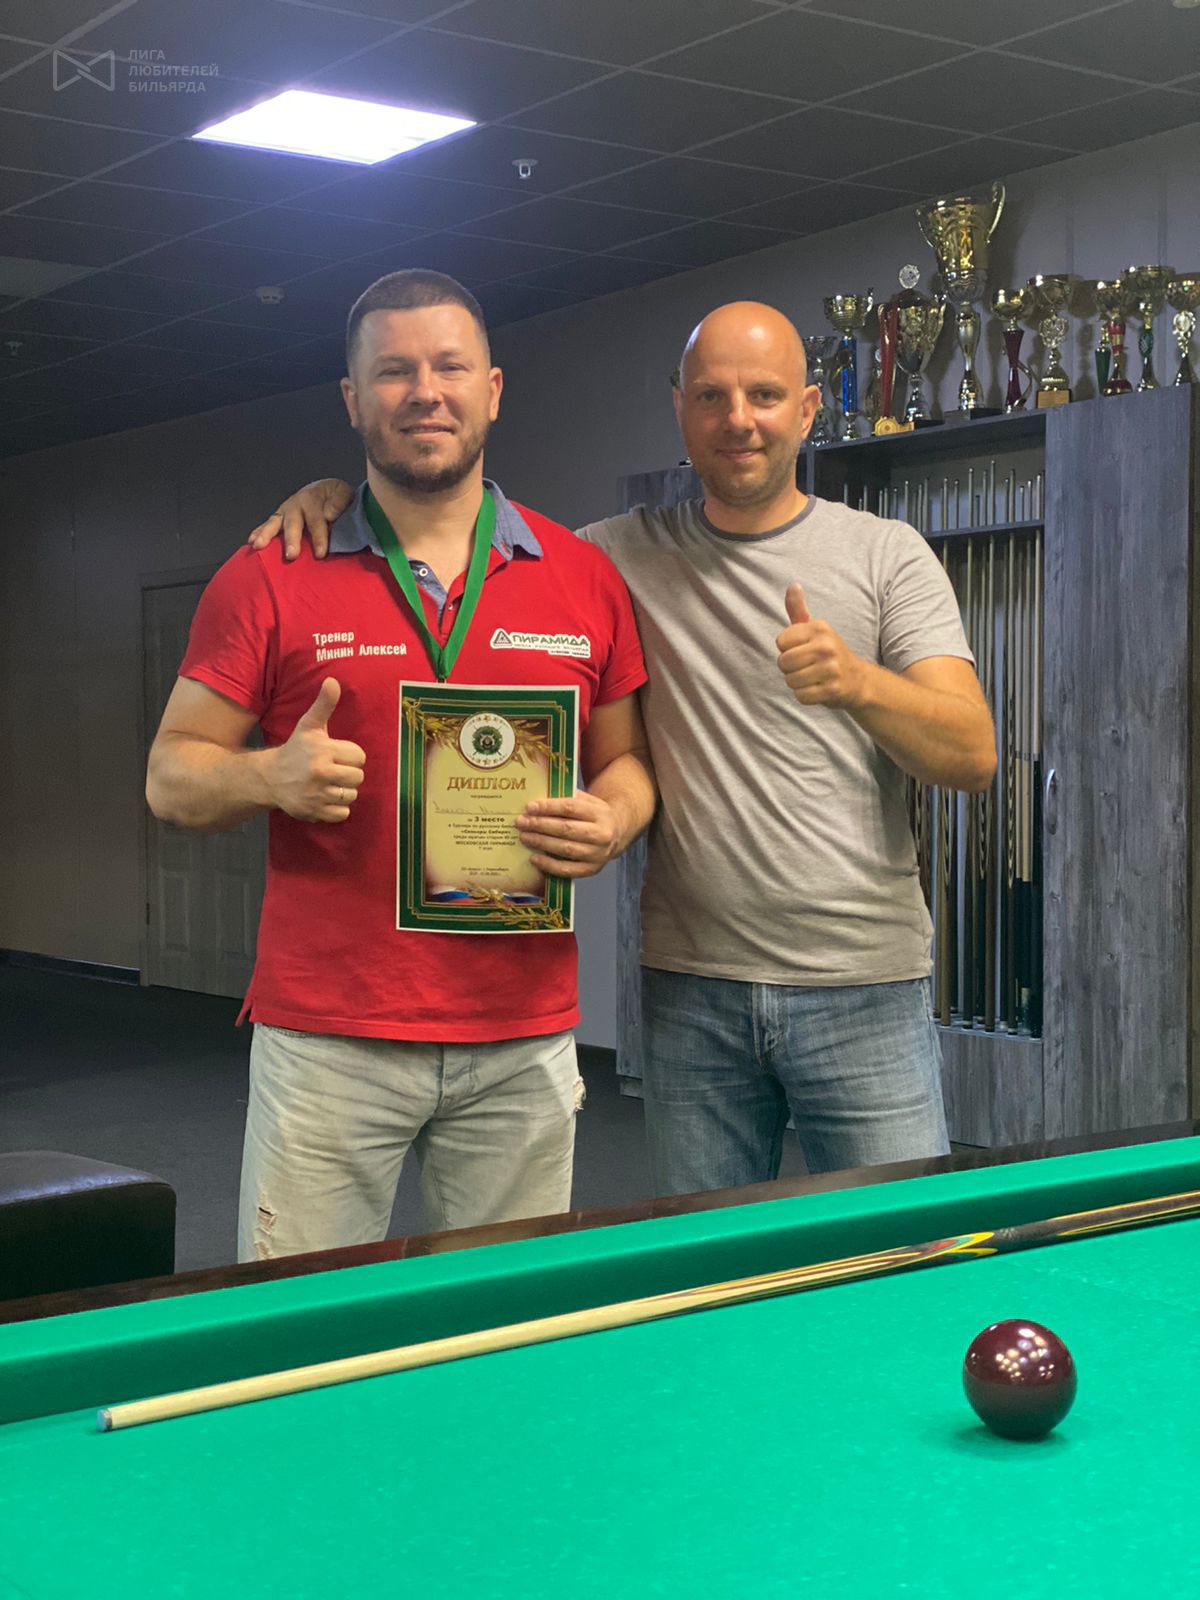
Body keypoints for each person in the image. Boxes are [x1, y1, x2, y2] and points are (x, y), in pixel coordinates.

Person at [247, 301, 996, 1196]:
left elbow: (972, 755)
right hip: (691, 989)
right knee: (704, 1260)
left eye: (764, 395)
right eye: (711, 396)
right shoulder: (609, 559)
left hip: (863, 984)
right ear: (680, 410)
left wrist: (857, 683)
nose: (738, 419)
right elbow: (455, 520)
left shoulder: (886, 554)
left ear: (806, 411)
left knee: (901, 1245)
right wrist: (334, 500)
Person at [147, 270, 653, 1260]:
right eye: (394, 372)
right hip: (332, 1036)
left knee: (501, 1324)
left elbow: (627, 760)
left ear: (492, 390)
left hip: (520, 1035)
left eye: (450, 367)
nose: (425, 392)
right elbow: (170, 776)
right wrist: (266, 777)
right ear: (353, 399)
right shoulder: (271, 574)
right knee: (305, 1324)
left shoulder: (583, 577)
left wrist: (614, 819)